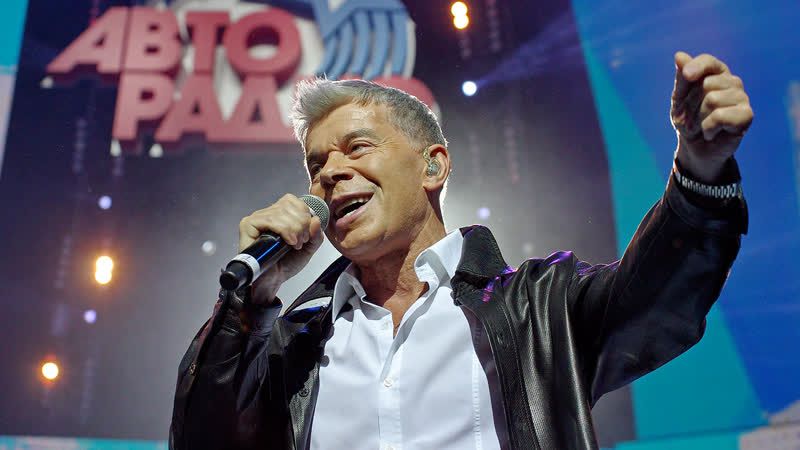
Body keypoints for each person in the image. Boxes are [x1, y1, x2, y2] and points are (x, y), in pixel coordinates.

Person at [169, 51, 752, 449]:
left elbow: (657, 300)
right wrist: (253, 300)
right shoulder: (294, 344)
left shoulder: (538, 309)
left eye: (357, 147)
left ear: (433, 166)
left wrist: (700, 171)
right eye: (316, 165)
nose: (330, 173)